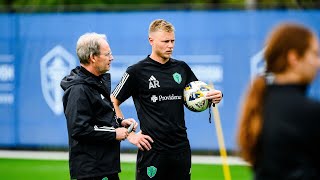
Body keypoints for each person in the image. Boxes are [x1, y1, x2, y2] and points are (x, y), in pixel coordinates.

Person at [111, 19, 223, 180]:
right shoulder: (136, 71)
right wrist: (129, 135)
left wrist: (215, 96)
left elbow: (198, 97)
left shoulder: (181, 68)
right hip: (152, 150)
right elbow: (112, 101)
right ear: (151, 40)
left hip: (181, 149)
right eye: (165, 41)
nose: (170, 45)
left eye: (172, 41)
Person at [237, 23, 320, 179]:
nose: (318, 63)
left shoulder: (261, 102)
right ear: (293, 58)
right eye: (314, 54)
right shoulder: (309, 112)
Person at [60, 32, 137, 180]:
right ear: (93, 57)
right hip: (92, 170)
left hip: (105, 167)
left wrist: (120, 123)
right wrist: (114, 133)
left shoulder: (95, 82)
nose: (112, 58)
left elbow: (99, 117)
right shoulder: (78, 89)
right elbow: (80, 128)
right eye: (107, 54)